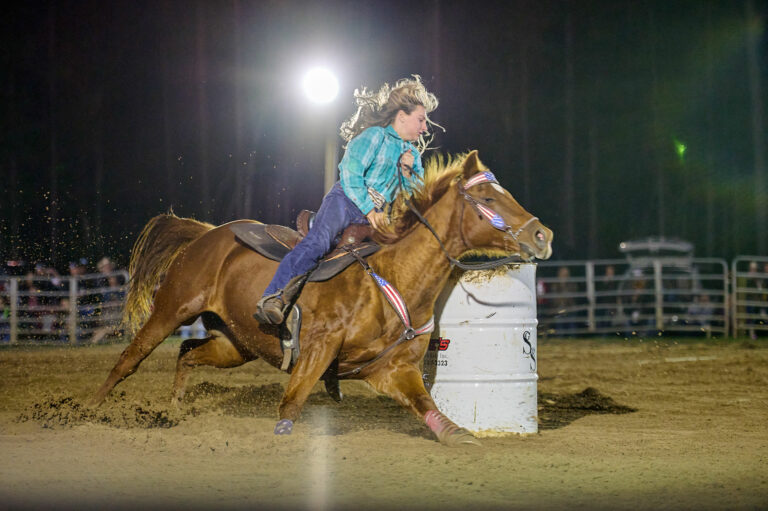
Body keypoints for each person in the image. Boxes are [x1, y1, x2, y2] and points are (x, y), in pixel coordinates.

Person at [254, 75, 439, 325]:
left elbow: (413, 198)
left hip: (378, 213)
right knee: (318, 243)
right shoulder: (374, 136)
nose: (425, 127)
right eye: (421, 119)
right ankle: (273, 297)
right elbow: (350, 173)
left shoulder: (413, 155)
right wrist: (370, 210)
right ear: (402, 116)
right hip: (345, 200)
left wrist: (406, 172)